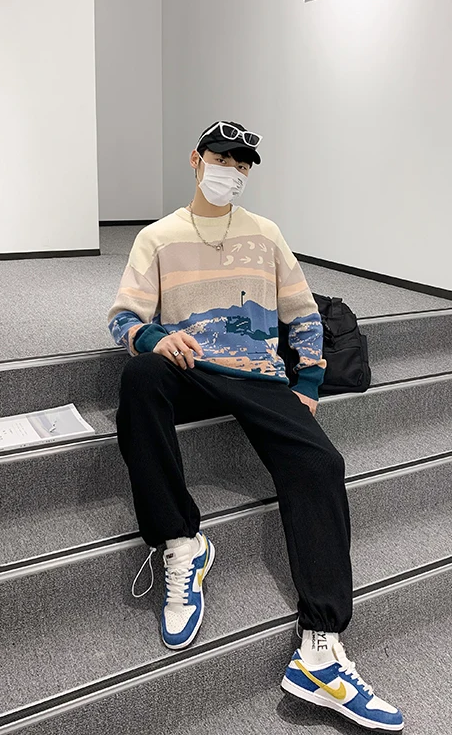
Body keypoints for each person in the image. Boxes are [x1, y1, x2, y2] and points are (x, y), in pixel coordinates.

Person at [108, 121, 403, 731]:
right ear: (196, 159)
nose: (232, 172)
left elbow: (303, 313)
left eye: (242, 165)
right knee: (138, 379)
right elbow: (122, 318)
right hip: (189, 369)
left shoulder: (265, 234)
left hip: (258, 374)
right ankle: (182, 543)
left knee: (321, 463)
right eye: (222, 159)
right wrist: (154, 337)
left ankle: (320, 651)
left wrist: (309, 382)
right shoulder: (157, 238)